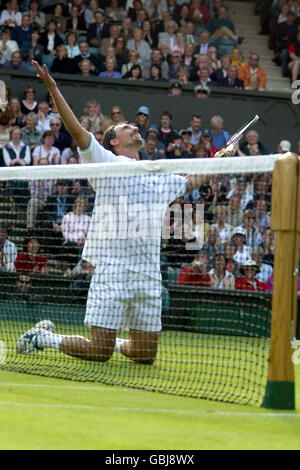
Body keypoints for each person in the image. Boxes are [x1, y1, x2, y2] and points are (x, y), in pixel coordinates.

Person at [17, 60, 230, 363]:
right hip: (113, 270)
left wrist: (222, 160)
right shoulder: (104, 161)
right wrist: (52, 88)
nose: (133, 126)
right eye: (125, 126)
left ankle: (113, 342)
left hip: (148, 273)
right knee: (98, 352)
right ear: (114, 141)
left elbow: (190, 181)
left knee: (145, 356)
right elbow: (77, 131)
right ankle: (45, 338)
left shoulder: (157, 174)